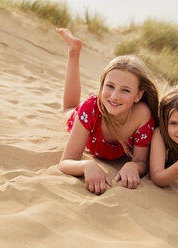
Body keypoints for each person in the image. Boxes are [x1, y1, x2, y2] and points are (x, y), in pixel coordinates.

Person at [56, 28, 159, 194]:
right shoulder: (90, 109)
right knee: (69, 109)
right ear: (102, 85)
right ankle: (74, 51)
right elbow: (66, 161)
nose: (115, 95)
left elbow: (141, 161)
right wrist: (86, 165)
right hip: (90, 112)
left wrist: (133, 166)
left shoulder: (142, 115)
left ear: (138, 95)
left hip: (104, 106)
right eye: (110, 86)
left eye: (125, 90)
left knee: (109, 101)